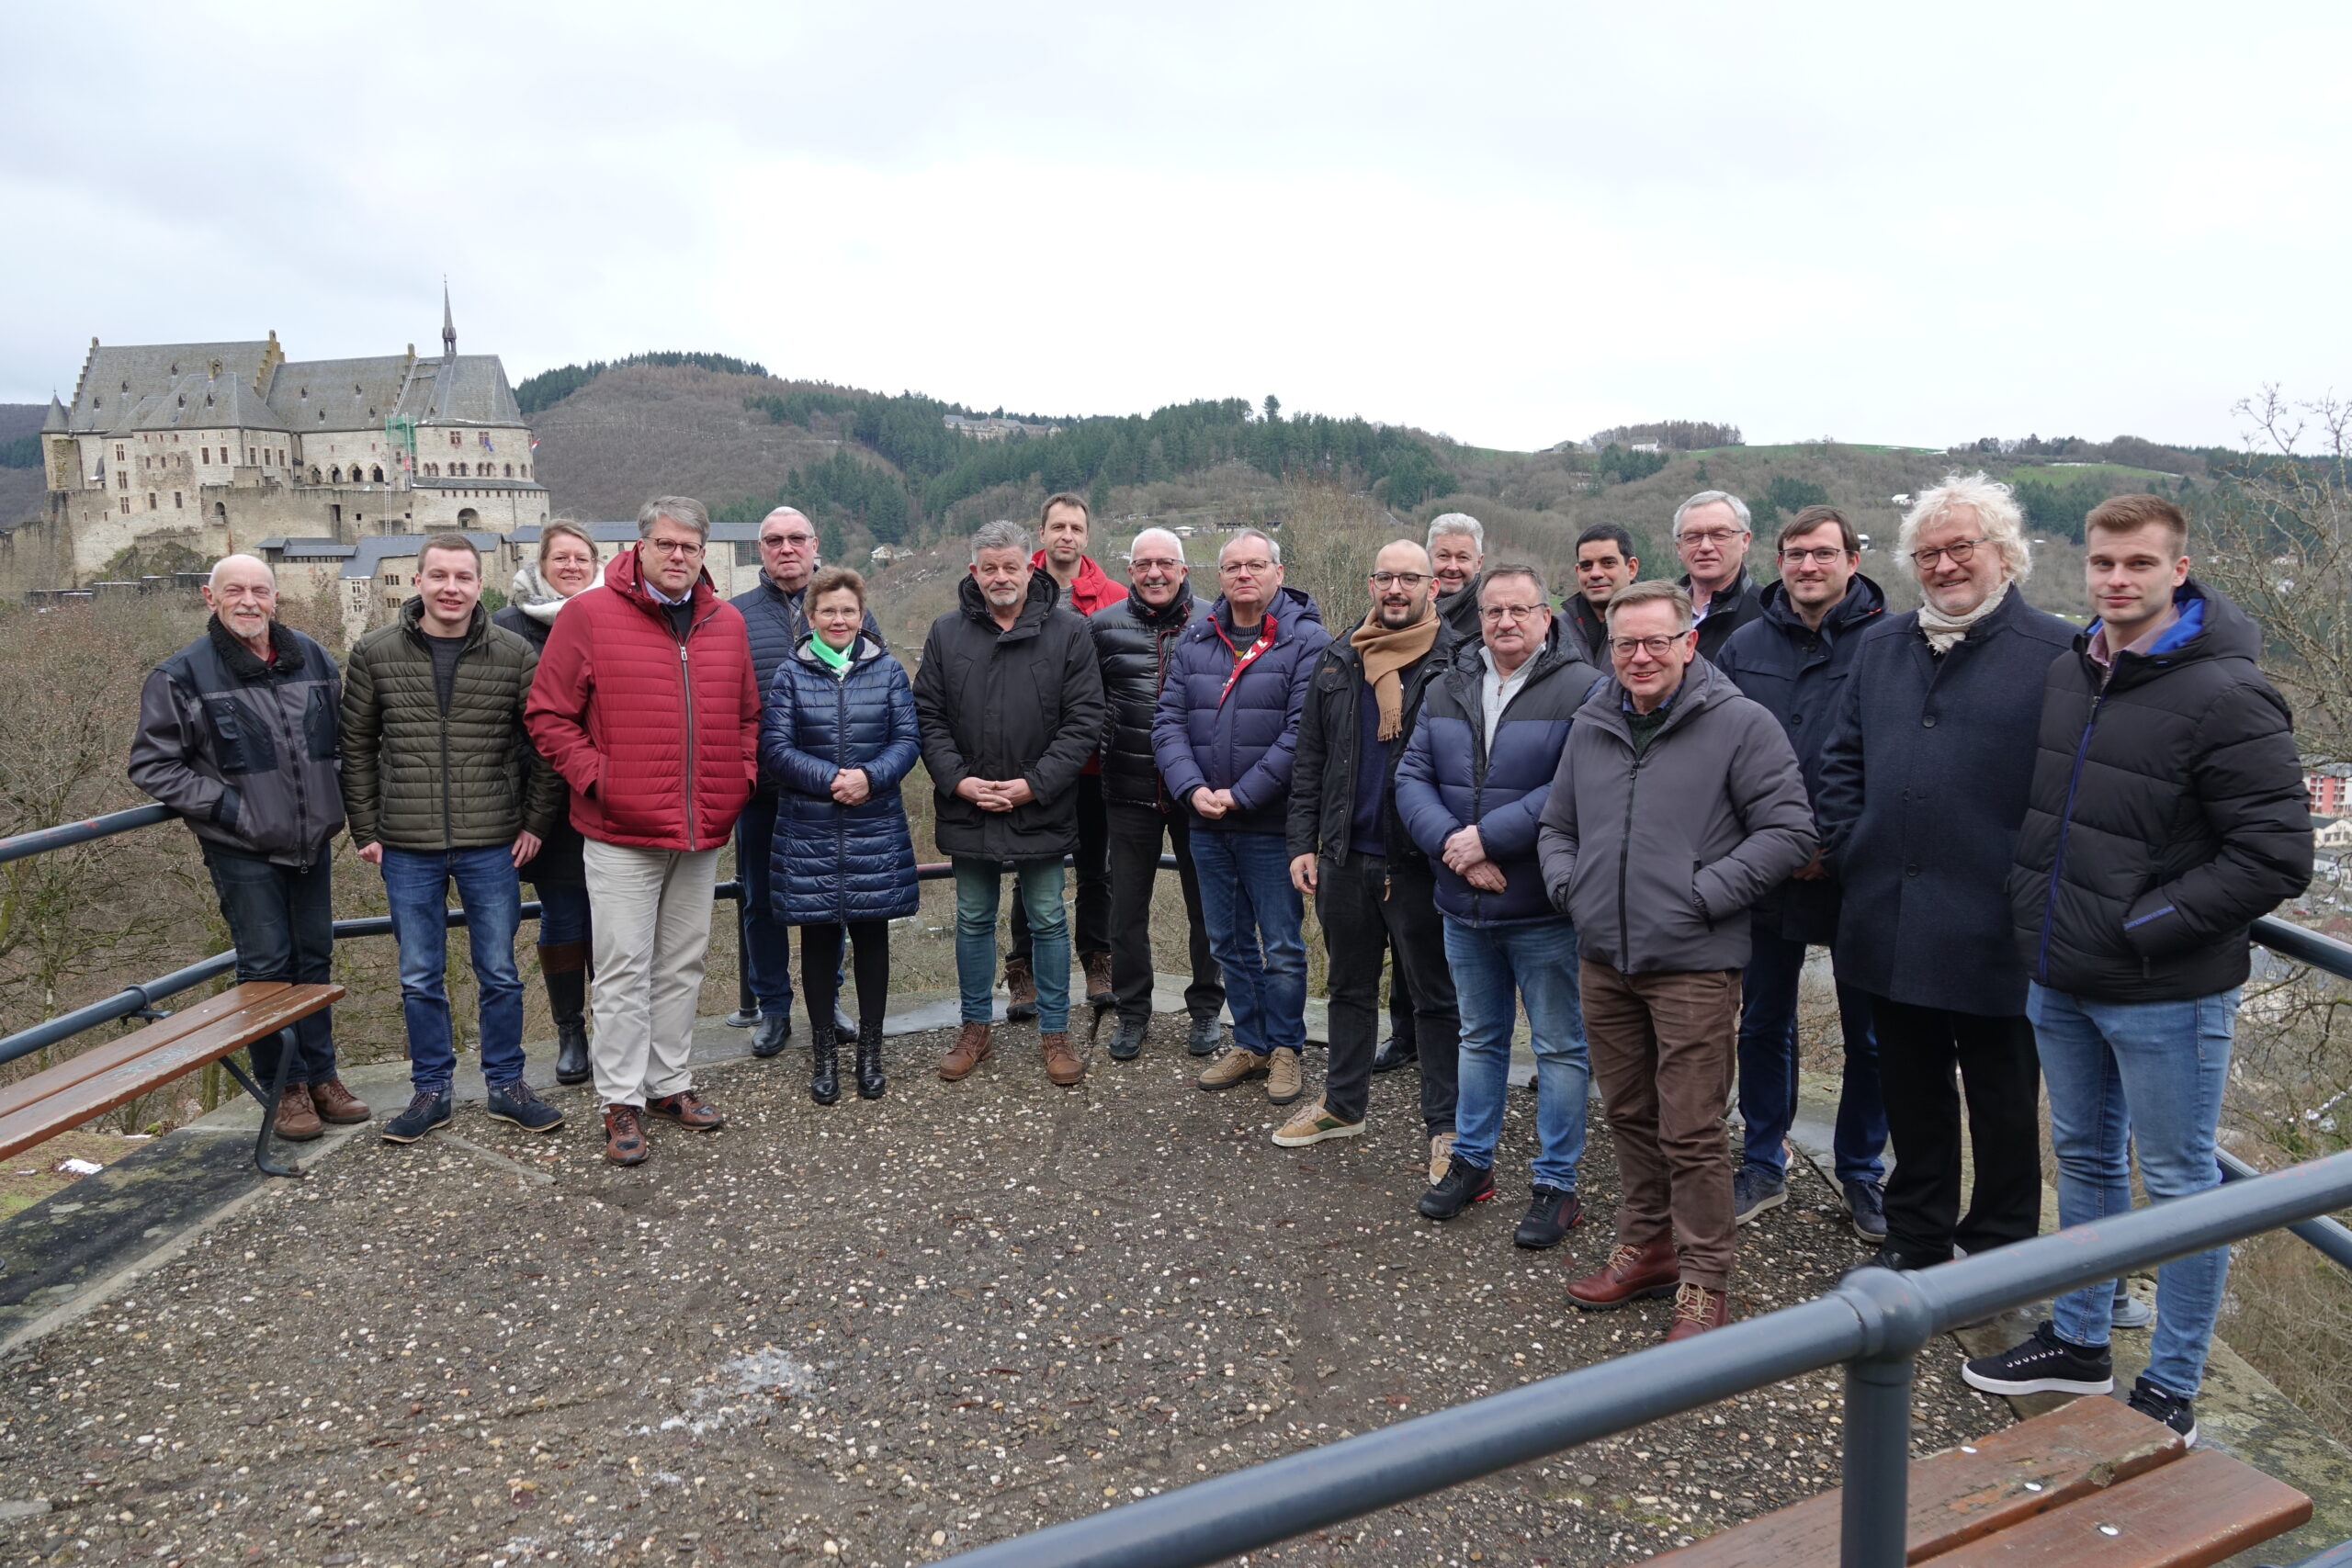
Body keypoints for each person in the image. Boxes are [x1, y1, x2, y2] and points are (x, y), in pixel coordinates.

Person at [1962, 494, 2312, 1443]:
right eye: (2102, 563)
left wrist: (2143, 926)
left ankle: (2171, 1386)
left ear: (2177, 571)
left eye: (2138, 565)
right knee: (2080, 1157)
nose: (2117, 580)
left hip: (2164, 989)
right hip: (2060, 972)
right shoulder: (2076, 669)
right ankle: (2080, 1340)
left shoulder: (2227, 693)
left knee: (2180, 1184)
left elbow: (2276, 855)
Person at [1538, 580, 1815, 1338]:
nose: (1641, 656)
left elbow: (1791, 830)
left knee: (1691, 1127)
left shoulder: (1739, 724)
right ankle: (1648, 1245)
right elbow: (1556, 826)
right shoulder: (1591, 722)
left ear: (1689, 641)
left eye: (1658, 640)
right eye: (1626, 643)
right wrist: (1573, 888)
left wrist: (1701, 894)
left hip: (1693, 960)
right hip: (1603, 954)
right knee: (1627, 1113)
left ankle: (1704, 1279)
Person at [1815, 473, 2075, 1269]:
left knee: (2002, 1094)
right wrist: (1854, 846)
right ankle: (1917, 1234)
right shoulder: (1882, 647)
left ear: (2004, 553)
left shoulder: (2058, 652)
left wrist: (2028, 882)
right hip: (1889, 909)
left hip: (1999, 919)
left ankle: (1997, 1250)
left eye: (1961, 546)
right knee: (1911, 1087)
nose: (1945, 565)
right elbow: (1840, 760)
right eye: (1927, 552)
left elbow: (2070, 787)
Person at [526, 496, 759, 1167]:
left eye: (690, 546)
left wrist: (739, 778)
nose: (678, 556)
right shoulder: (590, 615)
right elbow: (548, 715)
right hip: (620, 828)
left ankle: (669, 1082)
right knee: (624, 966)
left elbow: (748, 716)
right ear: (641, 546)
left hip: (702, 826)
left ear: (704, 553)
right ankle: (621, 1098)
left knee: (681, 963)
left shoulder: (727, 622)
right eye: (666, 544)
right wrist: (600, 779)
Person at [1396, 566, 1600, 1246]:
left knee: (1561, 1048)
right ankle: (1473, 1164)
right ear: (1477, 616)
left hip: (1540, 904)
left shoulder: (1583, 687)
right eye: (1492, 610)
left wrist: (1488, 838)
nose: (1505, 621)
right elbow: (1412, 776)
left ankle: (1555, 1185)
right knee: (1478, 1038)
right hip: (1462, 903)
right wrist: (1456, 848)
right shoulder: (1449, 683)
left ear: (1547, 616)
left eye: (1519, 609)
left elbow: (1573, 789)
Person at [130, 555, 367, 1141]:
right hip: (241, 848)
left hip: (311, 839)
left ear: (275, 598)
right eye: (233, 590)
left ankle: (322, 1079)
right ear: (210, 599)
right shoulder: (182, 674)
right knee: (265, 969)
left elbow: (338, 738)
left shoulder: (309, 656)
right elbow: (153, 764)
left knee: (313, 962)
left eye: (260, 590)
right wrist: (232, 810)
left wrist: (333, 797)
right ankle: (284, 1089)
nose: (248, 601)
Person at [344, 533, 566, 1143]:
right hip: (406, 840)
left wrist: (535, 822)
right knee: (419, 974)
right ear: (417, 581)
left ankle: (507, 1084)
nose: (450, 587)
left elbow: (547, 746)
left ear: (478, 584)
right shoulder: (374, 652)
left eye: (463, 577)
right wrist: (364, 826)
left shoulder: (515, 653)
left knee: (498, 970)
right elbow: (356, 748)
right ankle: (430, 1090)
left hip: (492, 837)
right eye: (438, 575)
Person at [1712, 505, 1889, 1238]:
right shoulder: (1744, 645)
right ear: (1777, 560)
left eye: (1822, 553)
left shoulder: (1892, 643)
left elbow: (1900, 759)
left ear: (1853, 558)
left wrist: (1837, 844)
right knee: (1764, 1021)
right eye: (1794, 554)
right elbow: (1713, 749)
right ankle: (1762, 1159)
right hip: (1765, 868)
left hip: (1861, 871)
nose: (1807, 566)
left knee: (1872, 1033)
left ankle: (1861, 1171)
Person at [1283, 539, 1461, 1176]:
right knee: (1348, 987)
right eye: (1384, 576)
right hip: (1343, 855)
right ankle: (1342, 1103)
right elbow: (1310, 760)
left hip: (1415, 861)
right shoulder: (1338, 656)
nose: (1394, 588)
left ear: (1431, 586)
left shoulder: (1455, 662)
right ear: (1370, 583)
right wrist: (1303, 842)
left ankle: (1447, 1127)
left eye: (1407, 578)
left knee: (1436, 997)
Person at [913, 520, 1107, 1088]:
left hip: (1040, 804)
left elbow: (1084, 721)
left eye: (1011, 566)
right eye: (990, 567)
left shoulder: (1070, 633)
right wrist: (959, 781)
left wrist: (1033, 785)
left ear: (1031, 567)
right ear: (974, 572)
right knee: (973, 919)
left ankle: (1055, 1032)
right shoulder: (946, 633)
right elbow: (927, 715)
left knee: (1047, 918)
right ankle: (976, 1030)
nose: (1001, 577)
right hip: (968, 804)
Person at [1155, 528, 1330, 1106]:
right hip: (1206, 820)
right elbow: (1167, 724)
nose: (1243, 576)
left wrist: (1241, 794)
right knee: (1227, 940)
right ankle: (1251, 1040)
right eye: (1232, 567)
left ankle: (1285, 1047)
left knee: (1281, 944)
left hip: (1271, 822)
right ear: (1219, 577)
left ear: (1279, 572)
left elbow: (1303, 736)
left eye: (1256, 565)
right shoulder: (1197, 641)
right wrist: (1191, 788)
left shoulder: (1306, 641)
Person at [758, 568, 922, 1106]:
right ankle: (824, 1053)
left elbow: (907, 740)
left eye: (847, 610)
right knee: (819, 939)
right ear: (811, 617)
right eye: (828, 610)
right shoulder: (790, 674)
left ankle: (870, 1052)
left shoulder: (889, 670)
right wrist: (831, 780)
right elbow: (775, 749)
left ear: (861, 615)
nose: (838, 619)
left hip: (874, 824)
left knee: (874, 938)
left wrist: (869, 778)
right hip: (809, 830)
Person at [732, 506, 879, 1057]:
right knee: (759, 901)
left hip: (834, 792)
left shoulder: (846, 608)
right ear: (760, 548)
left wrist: (858, 776)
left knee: (833, 899)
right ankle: (772, 1008)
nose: (786, 548)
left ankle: (829, 1001)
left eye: (797, 538)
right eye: (774, 540)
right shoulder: (735, 616)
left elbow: (876, 690)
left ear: (815, 544)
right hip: (764, 791)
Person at [1091, 527, 1226, 1061]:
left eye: (1165, 563)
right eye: (1144, 564)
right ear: (1130, 571)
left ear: (1183, 569)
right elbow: (1083, 704)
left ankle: (1207, 1009)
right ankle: (1131, 1012)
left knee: (1207, 909)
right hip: (1127, 790)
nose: (1154, 573)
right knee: (1126, 912)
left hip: (1200, 793)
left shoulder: (1215, 622)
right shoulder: (1101, 628)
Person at [1003, 492, 1128, 1019]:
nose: (1067, 536)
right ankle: (1021, 969)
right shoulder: (1011, 585)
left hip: (1097, 762)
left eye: (1076, 527)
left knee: (1097, 868)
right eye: (1058, 526)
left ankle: (1097, 960)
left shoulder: (1115, 596)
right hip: (1030, 761)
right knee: (1032, 864)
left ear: (1086, 535)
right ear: (1042, 532)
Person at [495, 521, 603, 1089]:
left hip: (609, 794)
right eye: (559, 557)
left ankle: (612, 1028)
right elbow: (503, 719)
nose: (570, 566)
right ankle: (570, 1031)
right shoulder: (508, 628)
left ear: (595, 562)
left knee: (616, 921)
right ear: (541, 564)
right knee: (563, 916)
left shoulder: (616, 614)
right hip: (546, 802)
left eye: (580, 557)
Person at [1671, 491, 1761, 660]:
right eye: (1692, 537)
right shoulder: (1660, 612)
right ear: (1679, 548)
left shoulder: (1768, 614)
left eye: (1719, 535)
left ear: (1745, 541)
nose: (1705, 546)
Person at [1562, 524, 1640, 660]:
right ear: (1577, 572)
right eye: (1586, 566)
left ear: (1631, 568)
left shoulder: (1657, 625)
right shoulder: (1557, 629)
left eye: (1608, 563)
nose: (1595, 574)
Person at [1427, 513, 1487, 641]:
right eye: (1443, 556)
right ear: (1427, 558)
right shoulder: (1406, 605)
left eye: (1463, 557)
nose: (1453, 567)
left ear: (1479, 563)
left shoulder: (1490, 615)